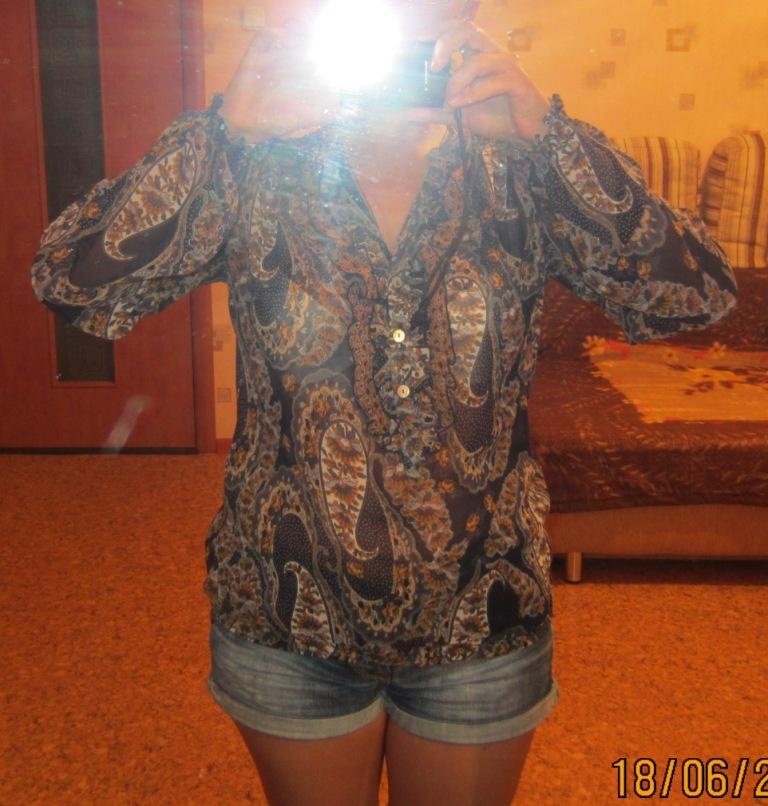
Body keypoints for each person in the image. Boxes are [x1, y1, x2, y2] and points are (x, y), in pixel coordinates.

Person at [29, 1, 738, 803]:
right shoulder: (258, 157)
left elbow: (697, 296)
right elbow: (75, 284)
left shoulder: (519, 161)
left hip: (481, 615)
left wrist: (547, 135)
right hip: (289, 614)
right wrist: (225, 132)